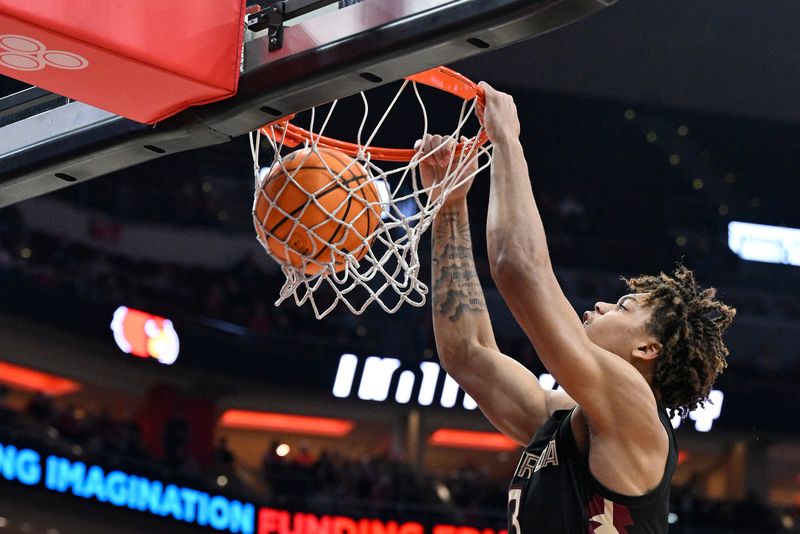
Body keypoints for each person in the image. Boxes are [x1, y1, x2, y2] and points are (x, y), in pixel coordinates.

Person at [417, 82, 735, 532]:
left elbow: (519, 270)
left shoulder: (636, 413)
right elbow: (468, 354)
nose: (602, 306)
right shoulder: (565, 421)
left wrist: (508, 140)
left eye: (624, 307)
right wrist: (450, 208)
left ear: (648, 349)